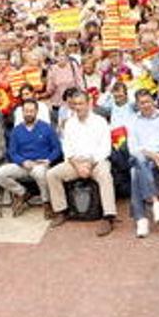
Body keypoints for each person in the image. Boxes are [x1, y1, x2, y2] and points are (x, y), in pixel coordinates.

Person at [47, 90, 118, 237]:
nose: (78, 107)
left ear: (89, 104)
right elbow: (67, 148)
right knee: (52, 174)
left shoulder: (100, 122)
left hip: (96, 162)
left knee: (105, 175)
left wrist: (90, 164)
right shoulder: (70, 123)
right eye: (75, 104)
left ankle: (108, 216)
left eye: (81, 104)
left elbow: (105, 148)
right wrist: (77, 165)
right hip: (76, 163)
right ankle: (61, 211)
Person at [0, 99, 62, 217]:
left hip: (40, 164)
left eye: (31, 111)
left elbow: (57, 149)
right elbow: (12, 152)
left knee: (40, 173)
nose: (28, 113)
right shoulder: (17, 130)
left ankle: (46, 202)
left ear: (36, 112)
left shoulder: (46, 128)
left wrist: (48, 160)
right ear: (22, 112)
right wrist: (22, 161)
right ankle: (22, 192)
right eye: (26, 111)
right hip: (22, 165)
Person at [126, 89, 159, 238]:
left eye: (148, 101)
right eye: (142, 103)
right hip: (142, 156)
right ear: (137, 105)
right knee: (140, 159)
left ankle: (141, 220)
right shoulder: (133, 120)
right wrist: (153, 157)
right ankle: (155, 201)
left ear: (153, 101)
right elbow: (133, 149)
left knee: (134, 173)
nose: (146, 105)